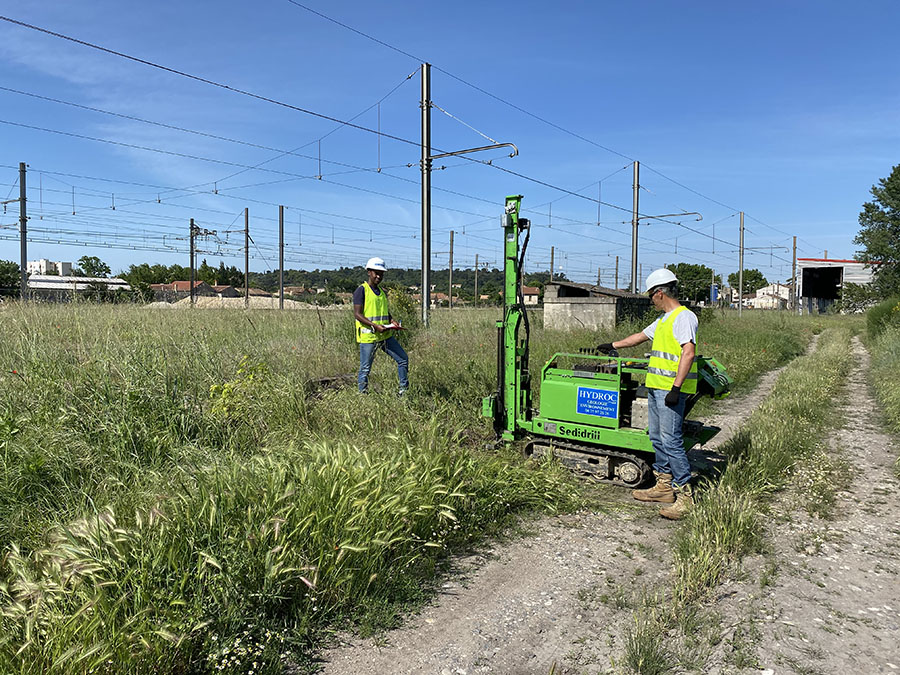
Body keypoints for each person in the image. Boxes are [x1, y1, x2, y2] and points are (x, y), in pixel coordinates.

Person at [596, 268, 699, 520]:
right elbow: (640, 337)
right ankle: (664, 487)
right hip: (655, 388)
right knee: (656, 437)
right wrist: (613, 345)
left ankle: (686, 495)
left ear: (660, 293)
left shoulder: (683, 317)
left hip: (670, 390)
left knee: (671, 440)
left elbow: (688, 352)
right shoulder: (664, 320)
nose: (650, 299)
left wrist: (675, 388)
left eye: (651, 295)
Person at [353, 257, 409, 395]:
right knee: (365, 369)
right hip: (369, 337)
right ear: (369, 272)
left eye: (381, 273)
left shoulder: (382, 292)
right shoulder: (361, 290)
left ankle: (403, 392)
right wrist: (374, 325)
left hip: (385, 335)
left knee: (403, 359)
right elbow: (357, 314)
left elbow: (384, 311)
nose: (378, 276)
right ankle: (362, 396)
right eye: (376, 273)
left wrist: (392, 320)